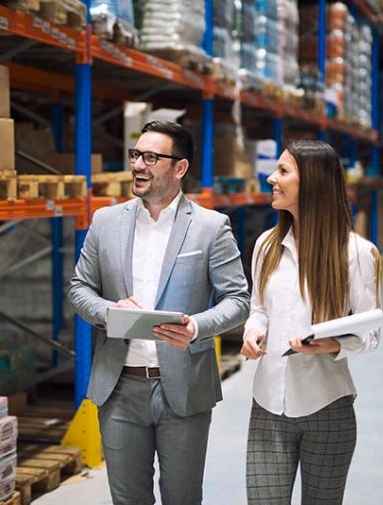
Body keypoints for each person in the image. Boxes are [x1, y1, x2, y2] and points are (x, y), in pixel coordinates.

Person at [67, 120, 250, 505]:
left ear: (179, 168)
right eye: (135, 155)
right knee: (128, 499)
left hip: (183, 388)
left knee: (181, 498)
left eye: (151, 157)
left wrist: (196, 326)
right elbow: (79, 288)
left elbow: (238, 300)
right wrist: (109, 309)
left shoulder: (210, 227)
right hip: (119, 387)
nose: (137, 165)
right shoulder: (106, 221)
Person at [241, 140, 383, 504]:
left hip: (328, 408)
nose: (272, 178)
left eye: (284, 172)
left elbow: (370, 334)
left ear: (315, 183)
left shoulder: (357, 253)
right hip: (268, 407)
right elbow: (258, 308)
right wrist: (254, 331)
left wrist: (332, 344)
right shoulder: (266, 246)